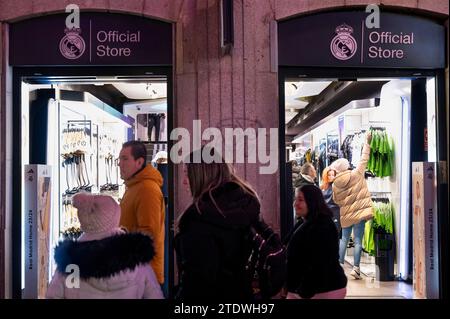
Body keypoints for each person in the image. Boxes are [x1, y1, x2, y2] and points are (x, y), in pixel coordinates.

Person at [174, 147, 260, 300]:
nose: (184, 181)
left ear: (202, 175)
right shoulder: (244, 204)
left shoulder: (198, 218)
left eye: (187, 174)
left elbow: (196, 282)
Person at [46, 193, 164, 299]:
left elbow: (54, 295)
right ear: (115, 219)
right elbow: (154, 294)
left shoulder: (72, 263)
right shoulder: (135, 257)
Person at [286, 185, 347, 299]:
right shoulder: (305, 222)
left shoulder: (322, 226)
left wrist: (304, 290)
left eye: (300, 200)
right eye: (296, 199)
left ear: (312, 201)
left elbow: (320, 262)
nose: (295, 204)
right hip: (307, 289)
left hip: (322, 290)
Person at [118, 141, 165, 285]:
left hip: (143, 277)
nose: (120, 164)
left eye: (125, 159)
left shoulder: (146, 189)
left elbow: (147, 234)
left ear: (139, 162)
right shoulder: (134, 187)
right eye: (119, 159)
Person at [330, 132, 373, 280]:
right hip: (359, 214)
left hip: (346, 214)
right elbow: (364, 159)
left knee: (344, 239)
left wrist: (346, 203)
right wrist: (367, 143)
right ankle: (356, 268)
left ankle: (340, 266)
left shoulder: (335, 183)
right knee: (358, 240)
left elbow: (336, 200)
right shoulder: (356, 173)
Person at [320, 166, 341, 237]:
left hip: (335, 213)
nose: (331, 177)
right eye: (329, 175)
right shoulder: (323, 186)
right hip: (324, 214)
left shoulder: (337, 186)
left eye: (333, 175)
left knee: (334, 235)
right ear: (326, 175)